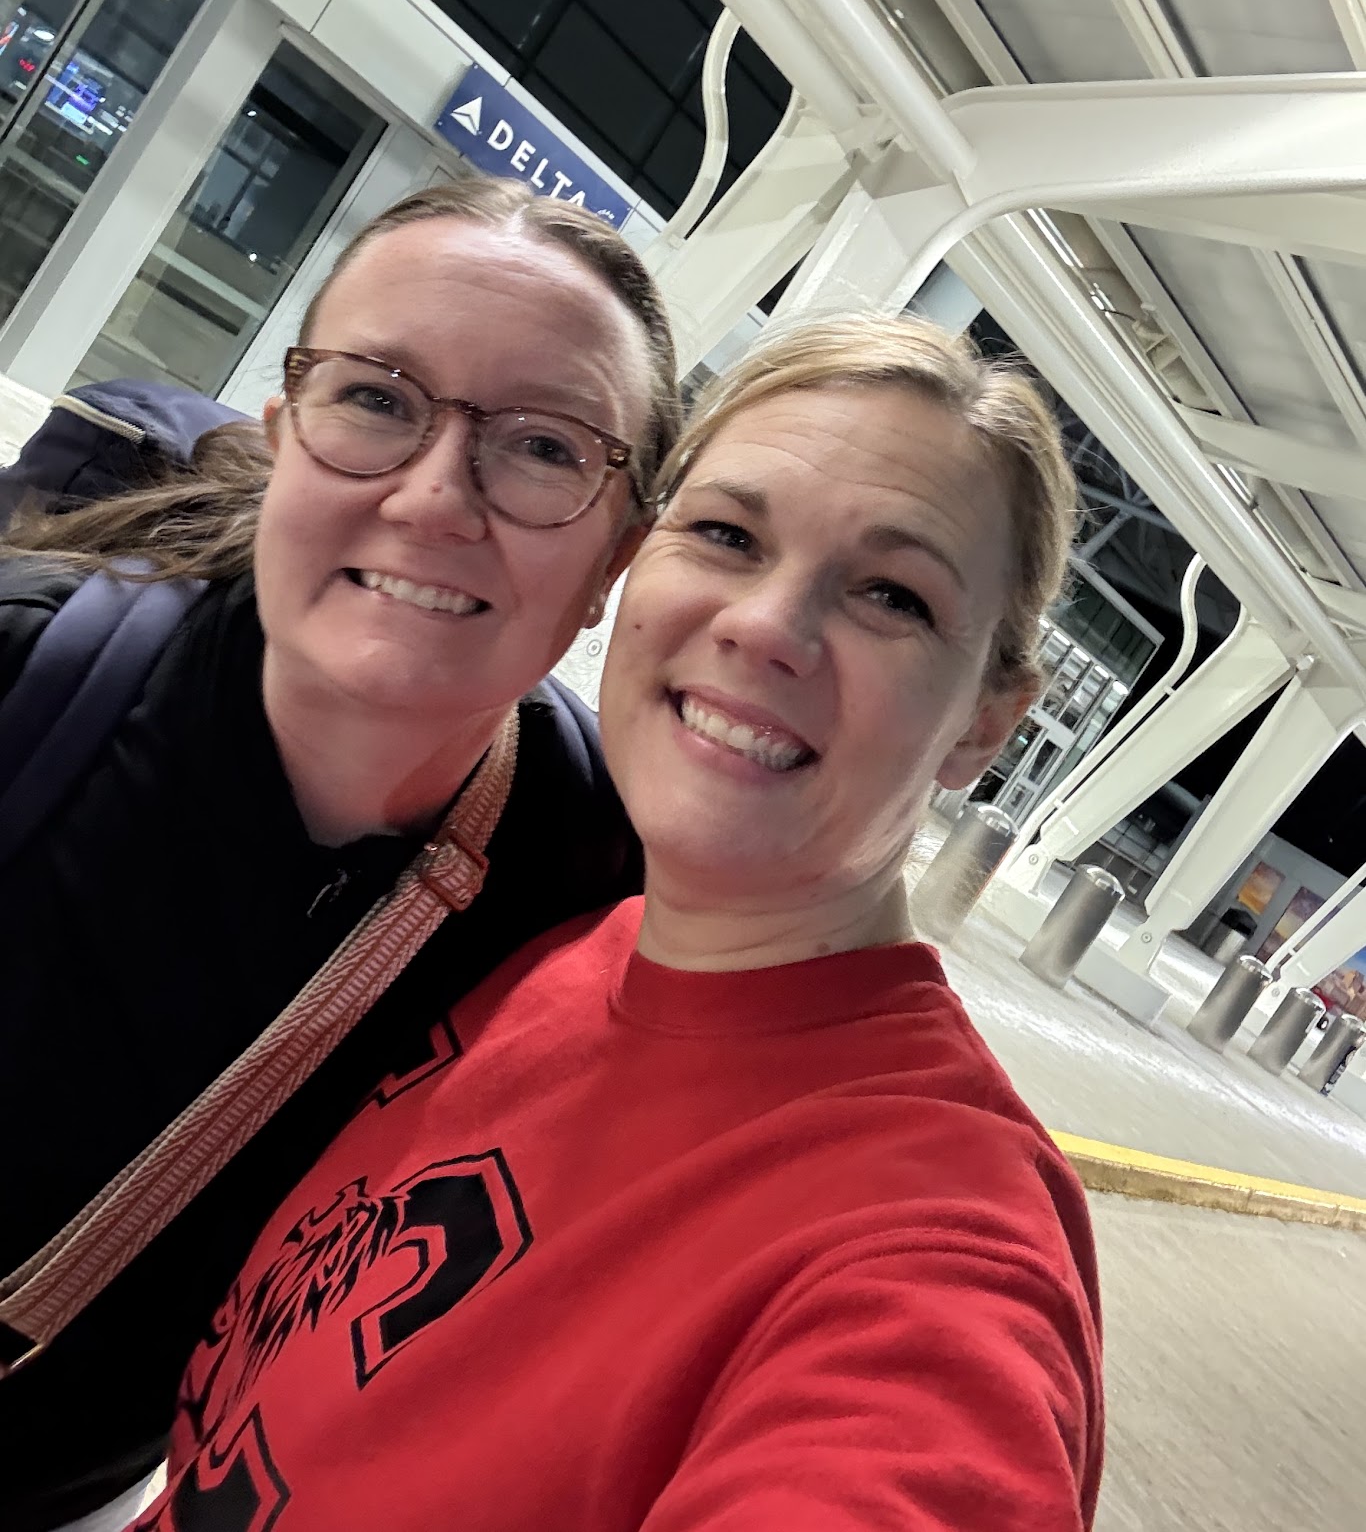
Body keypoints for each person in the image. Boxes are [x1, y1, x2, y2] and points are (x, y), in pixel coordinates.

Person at [135, 313, 1103, 1532]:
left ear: (985, 723)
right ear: (633, 566)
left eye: (892, 596)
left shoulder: (933, 1246)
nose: (765, 625)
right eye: (727, 535)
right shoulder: (546, 941)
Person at [0, 176, 680, 1532]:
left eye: (544, 446)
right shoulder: (27, 674)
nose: (434, 498)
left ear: (615, 562)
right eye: (374, 398)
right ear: (283, 438)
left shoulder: (598, 883)